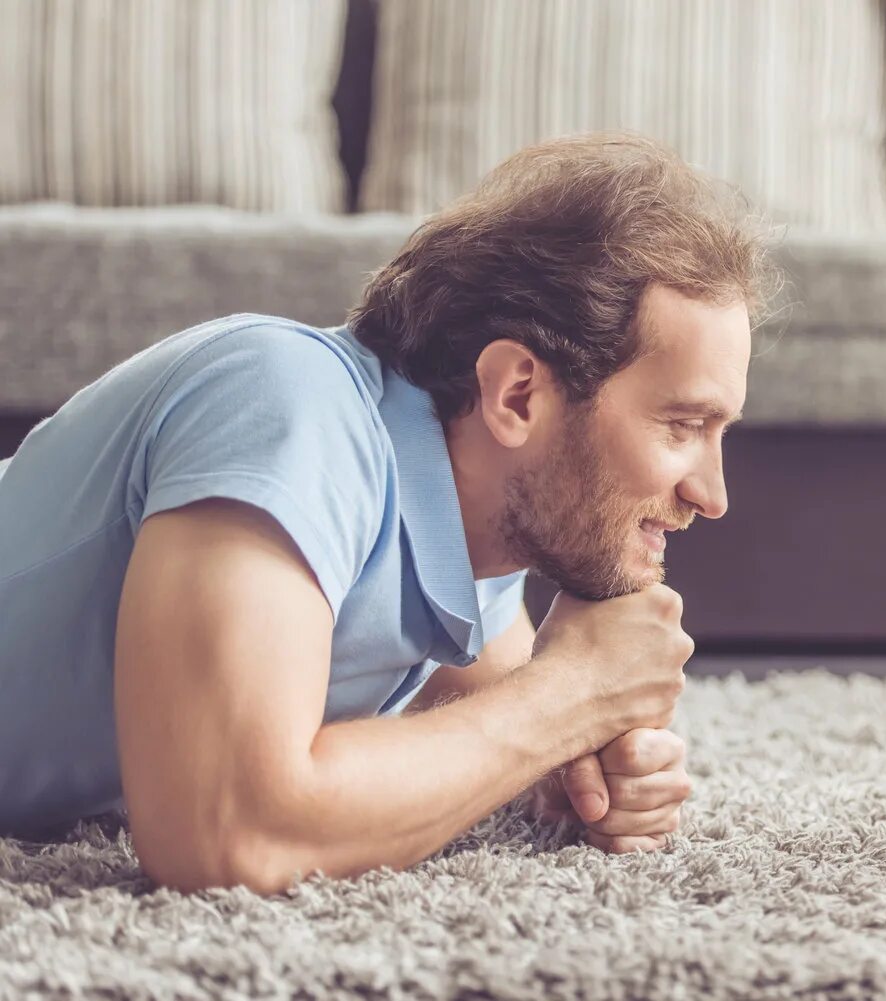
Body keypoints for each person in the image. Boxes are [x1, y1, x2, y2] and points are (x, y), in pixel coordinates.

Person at [0, 133, 774, 893]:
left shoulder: (480, 542)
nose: (713, 494)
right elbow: (225, 831)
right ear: (517, 395)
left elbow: (511, 726)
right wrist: (574, 694)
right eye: (682, 426)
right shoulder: (285, 404)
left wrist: (578, 766)